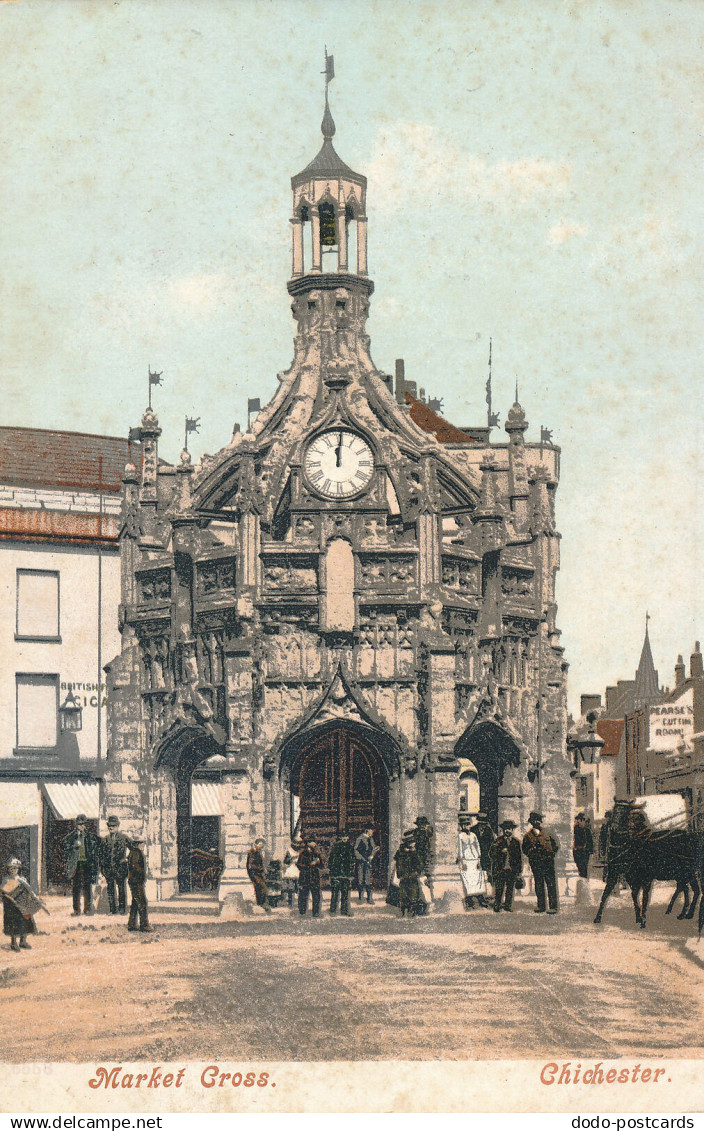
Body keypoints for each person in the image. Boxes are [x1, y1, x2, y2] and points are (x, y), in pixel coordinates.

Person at [522, 811, 560, 914]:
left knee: (551, 884)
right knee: (539, 884)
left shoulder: (548, 833)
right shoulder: (528, 836)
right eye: (534, 821)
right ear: (531, 822)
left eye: (538, 820)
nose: (536, 822)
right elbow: (524, 849)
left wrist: (551, 854)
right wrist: (532, 854)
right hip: (536, 863)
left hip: (548, 862)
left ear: (540, 821)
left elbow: (556, 845)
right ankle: (541, 906)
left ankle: (553, 907)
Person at [2, 858, 43, 951]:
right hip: (12, 906)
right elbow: (4, 892)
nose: (13, 870)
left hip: (23, 906)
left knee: (26, 922)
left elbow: (29, 890)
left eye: (15, 868)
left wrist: (35, 897)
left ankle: (23, 941)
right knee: (13, 924)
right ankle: (13, 943)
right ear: (8, 869)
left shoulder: (22, 879)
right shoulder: (6, 880)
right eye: (11, 868)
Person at [63, 813, 100, 916]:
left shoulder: (89, 836)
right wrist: (73, 847)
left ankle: (87, 909)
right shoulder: (72, 836)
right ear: (76, 825)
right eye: (80, 824)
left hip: (87, 864)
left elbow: (98, 843)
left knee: (87, 887)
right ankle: (76, 910)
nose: (82, 826)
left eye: (83, 824)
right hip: (77, 865)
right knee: (76, 888)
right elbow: (64, 844)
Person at [99, 815, 130, 915]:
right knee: (110, 890)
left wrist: (127, 859)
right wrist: (102, 869)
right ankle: (113, 910)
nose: (111, 828)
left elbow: (134, 849)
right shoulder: (105, 840)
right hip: (109, 870)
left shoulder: (123, 838)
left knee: (121, 889)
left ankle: (122, 909)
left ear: (118, 826)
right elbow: (101, 855)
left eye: (113, 826)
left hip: (120, 869)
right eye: (109, 826)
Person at [490, 820, 523, 912]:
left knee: (510, 889)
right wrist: (500, 851)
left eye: (509, 829)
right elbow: (491, 854)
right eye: (505, 829)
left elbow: (519, 858)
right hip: (501, 869)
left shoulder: (516, 842)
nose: (507, 831)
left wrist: (519, 872)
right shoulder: (498, 841)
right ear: (503, 830)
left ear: (512, 830)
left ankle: (508, 905)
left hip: (511, 870)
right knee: (499, 888)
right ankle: (497, 905)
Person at [457, 815, 487, 910]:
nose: (466, 827)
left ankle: (480, 898)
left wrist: (478, 858)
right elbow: (460, 849)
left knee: (478, 878)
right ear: (462, 826)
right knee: (468, 879)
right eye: (464, 825)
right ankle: (469, 900)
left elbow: (477, 845)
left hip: (474, 859)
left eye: (468, 825)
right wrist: (462, 861)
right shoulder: (460, 836)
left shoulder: (473, 835)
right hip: (466, 859)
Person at [126, 836, 154, 933]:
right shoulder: (136, 853)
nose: (143, 845)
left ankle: (131, 924)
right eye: (142, 843)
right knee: (142, 903)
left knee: (135, 903)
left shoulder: (134, 852)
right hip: (136, 881)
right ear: (138, 844)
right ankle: (144, 925)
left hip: (134, 881)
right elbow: (136, 867)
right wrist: (142, 876)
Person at [394, 830, 423, 918]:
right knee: (404, 895)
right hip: (404, 877)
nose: (414, 843)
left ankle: (413, 912)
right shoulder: (401, 852)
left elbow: (420, 864)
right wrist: (400, 875)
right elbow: (398, 864)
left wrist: (417, 872)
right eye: (412, 842)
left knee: (413, 895)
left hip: (413, 876)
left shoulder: (415, 852)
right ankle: (403, 912)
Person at [469, 812, 494, 908]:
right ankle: (475, 898)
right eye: (481, 822)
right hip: (475, 858)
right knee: (475, 877)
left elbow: (491, 844)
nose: (482, 824)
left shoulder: (488, 831)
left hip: (486, 857)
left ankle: (485, 897)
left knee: (486, 877)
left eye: (484, 822)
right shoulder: (472, 830)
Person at [329, 830, 355, 916]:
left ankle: (344, 911)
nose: (344, 838)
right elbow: (331, 860)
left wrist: (351, 873)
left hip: (346, 874)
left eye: (346, 836)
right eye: (343, 836)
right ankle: (333, 910)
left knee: (345, 894)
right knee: (335, 893)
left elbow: (352, 861)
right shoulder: (335, 846)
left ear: (348, 837)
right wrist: (332, 873)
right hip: (336, 874)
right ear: (340, 837)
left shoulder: (350, 847)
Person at [297, 837, 323, 917]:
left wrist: (318, 862)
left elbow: (322, 866)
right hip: (305, 878)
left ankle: (315, 912)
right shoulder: (303, 853)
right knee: (303, 895)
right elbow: (299, 865)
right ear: (308, 843)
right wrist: (310, 864)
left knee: (316, 896)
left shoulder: (316, 853)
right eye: (313, 842)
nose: (315, 844)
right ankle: (302, 911)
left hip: (314, 878)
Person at [354, 827, 379, 903]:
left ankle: (369, 898)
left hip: (368, 862)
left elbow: (373, 849)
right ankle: (360, 898)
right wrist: (361, 858)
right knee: (360, 879)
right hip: (361, 862)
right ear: (367, 830)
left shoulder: (371, 839)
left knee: (368, 880)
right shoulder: (360, 838)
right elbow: (355, 850)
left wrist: (372, 855)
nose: (372, 832)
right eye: (371, 830)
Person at [246, 838, 271, 913]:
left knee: (260, 889)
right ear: (255, 844)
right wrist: (261, 869)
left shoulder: (258, 852)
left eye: (262, 846)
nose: (261, 847)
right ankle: (263, 905)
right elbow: (250, 865)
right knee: (262, 888)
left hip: (259, 874)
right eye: (260, 845)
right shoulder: (252, 853)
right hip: (255, 874)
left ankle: (261, 905)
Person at [414, 816, 435, 900]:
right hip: (420, 860)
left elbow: (430, 850)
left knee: (425, 881)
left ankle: (426, 901)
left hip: (424, 860)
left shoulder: (426, 834)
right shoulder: (420, 834)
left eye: (422, 825)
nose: (421, 827)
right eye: (420, 825)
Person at [573, 812, 594, 879]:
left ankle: (584, 879)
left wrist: (590, 850)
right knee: (579, 865)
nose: (577, 822)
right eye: (577, 820)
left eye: (579, 820)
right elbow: (574, 839)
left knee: (584, 866)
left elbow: (590, 841)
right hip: (577, 850)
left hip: (584, 851)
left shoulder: (586, 830)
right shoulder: (576, 829)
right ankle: (582, 877)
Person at [281, 838, 301, 909]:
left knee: (298, 888)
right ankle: (291, 903)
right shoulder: (289, 851)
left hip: (298, 870)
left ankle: (299, 903)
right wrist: (291, 859)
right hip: (290, 870)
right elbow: (285, 861)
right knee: (290, 888)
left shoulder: (300, 851)